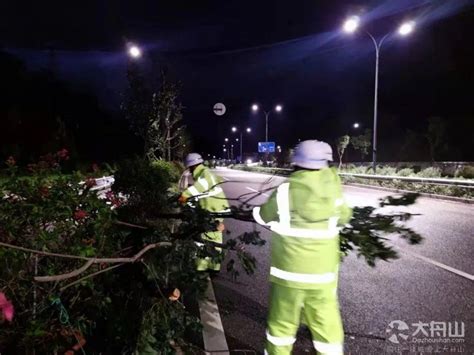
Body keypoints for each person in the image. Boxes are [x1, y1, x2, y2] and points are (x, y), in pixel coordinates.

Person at [253, 140, 352, 355]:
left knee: (281, 327)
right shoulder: (333, 190)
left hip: (288, 276)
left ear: (296, 163)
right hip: (322, 277)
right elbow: (345, 217)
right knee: (327, 329)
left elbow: (264, 215)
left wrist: (256, 215)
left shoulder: (285, 190)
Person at [179, 153, 230, 272]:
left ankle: (202, 266)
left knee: (203, 237)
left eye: (189, 168)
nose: (190, 172)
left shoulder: (205, 174)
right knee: (215, 237)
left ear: (192, 166)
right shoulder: (205, 173)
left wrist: (184, 195)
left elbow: (199, 188)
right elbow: (203, 193)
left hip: (213, 211)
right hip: (218, 209)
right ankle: (214, 266)